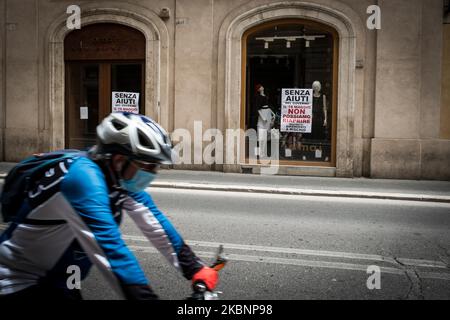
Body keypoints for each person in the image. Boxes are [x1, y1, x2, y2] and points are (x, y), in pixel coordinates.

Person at [0, 112, 218, 300]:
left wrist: (195, 268)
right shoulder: (83, 178)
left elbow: (155, 223)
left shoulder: (118, 180)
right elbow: (113, 253)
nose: (153, 173)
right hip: (18, 278)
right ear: (119, 160)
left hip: (67, 276)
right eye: (149, 165)